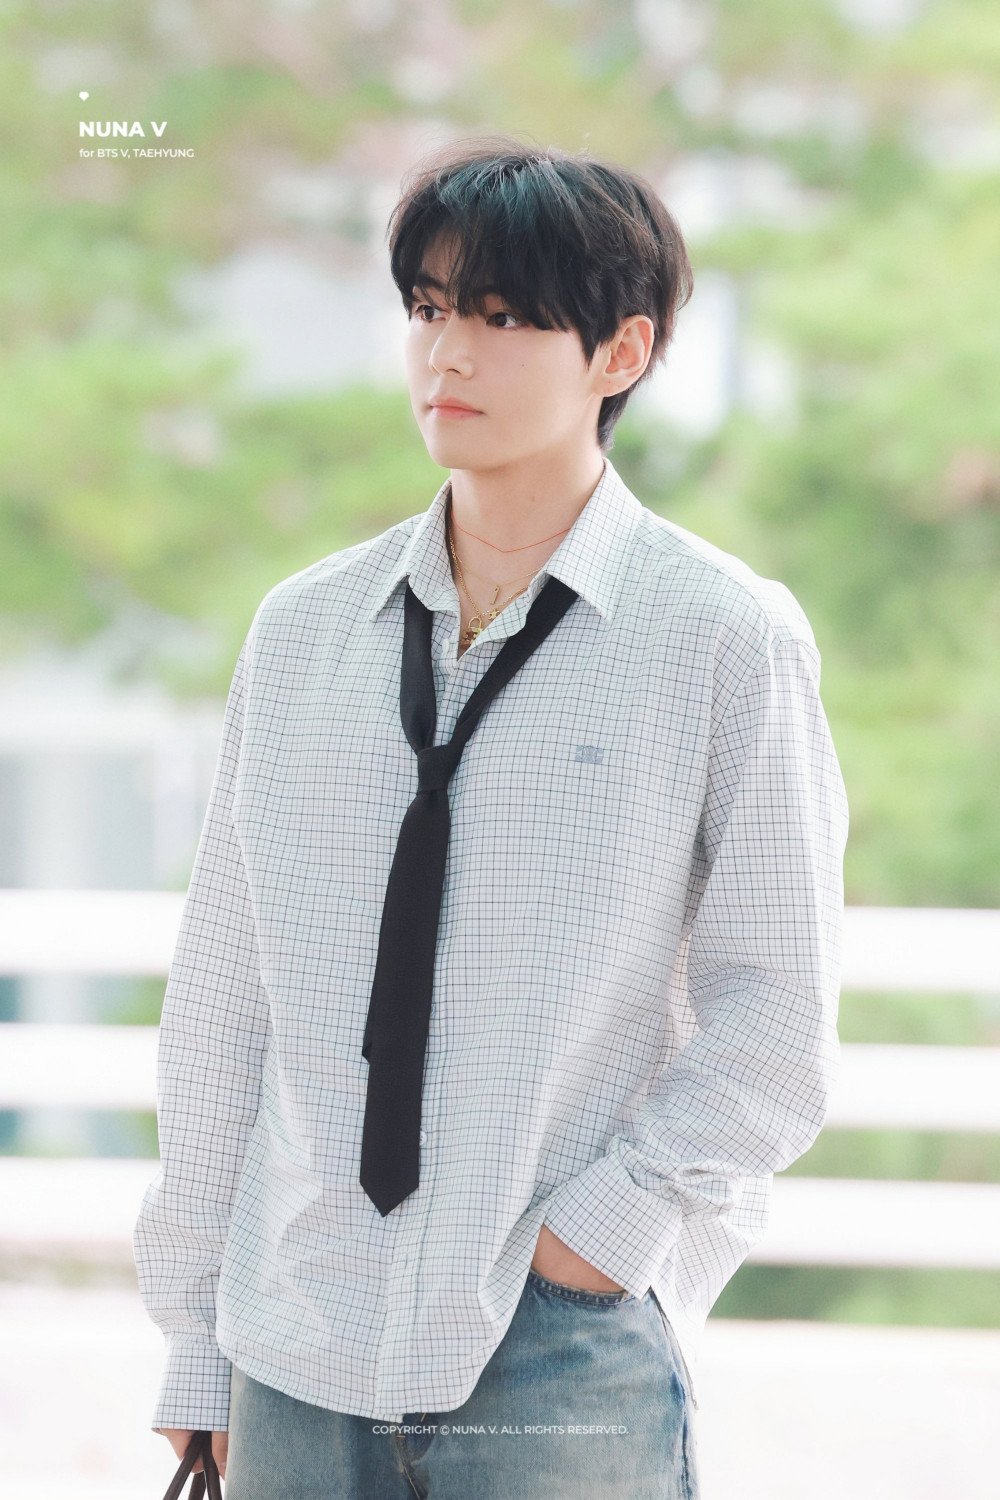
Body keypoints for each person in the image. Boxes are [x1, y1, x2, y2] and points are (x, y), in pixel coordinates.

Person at [133, 133, 849, 1498]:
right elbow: (223, 1004)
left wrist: (593, 1248)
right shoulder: (302, 633)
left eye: (506, 318)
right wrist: (193, 1337)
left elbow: (776, 1015)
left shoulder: (723, 638)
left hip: (554, 1344)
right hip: (291, 1341)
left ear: (622, 354)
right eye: (429, 308)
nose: (448, 354)